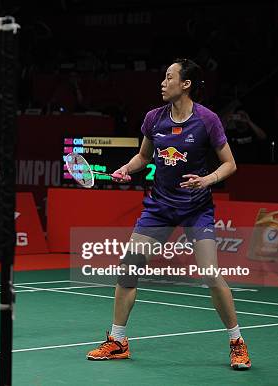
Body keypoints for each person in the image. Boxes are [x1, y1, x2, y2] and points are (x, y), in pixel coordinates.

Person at [85, 59, 252, 370]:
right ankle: (118, 341)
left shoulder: (207, 120)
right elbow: (143, 156)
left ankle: (237, 342)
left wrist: (207, 180)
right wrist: (127, 168)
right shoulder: (154, 118)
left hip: (196, 208)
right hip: (159, 207)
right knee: (128, 270)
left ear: (185, 84)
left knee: (211, 275)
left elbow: (230, 164)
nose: (162, 82)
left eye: (169, 77)